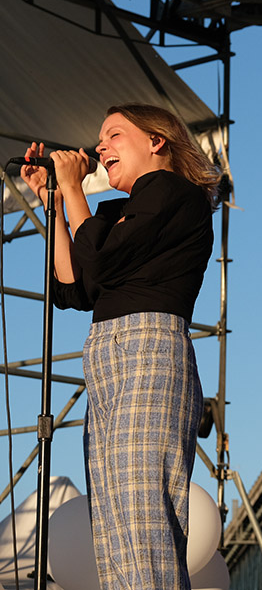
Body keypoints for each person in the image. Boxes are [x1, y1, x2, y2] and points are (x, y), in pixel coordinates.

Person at [20, 103, 221, 589]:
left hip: (149, 350)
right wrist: (54, 197)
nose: (100, 146)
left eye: (113, 134)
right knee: (112, 532)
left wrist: (73, 188)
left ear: (158, 141)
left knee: (141, 522)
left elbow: (103, 263)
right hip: (108, 357)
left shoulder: (174, 194)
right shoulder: (120, 212)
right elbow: (74, 287)